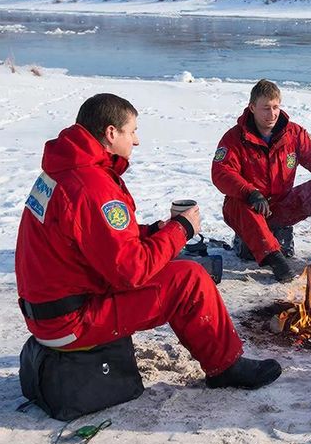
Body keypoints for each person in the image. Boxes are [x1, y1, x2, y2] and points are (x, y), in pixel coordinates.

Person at [15, 93, 280, 390]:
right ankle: (226, 367)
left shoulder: (65, 170)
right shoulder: (91, 185)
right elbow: (131, 271)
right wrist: (181, 230)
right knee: (189, 279)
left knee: (171, 264)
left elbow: (93, 237)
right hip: (71, 321)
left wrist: (153, 231)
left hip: (48, 313)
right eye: (132, 131)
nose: (136, 140)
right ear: (111, 133)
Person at [212, 79, 311, 283]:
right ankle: (275, 259)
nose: (272, 114)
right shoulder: (234, 138)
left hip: (281, 205)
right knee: (239, 201)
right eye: (266, 108)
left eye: (275, 107)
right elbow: (221, 172)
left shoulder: (293, 134)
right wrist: (250, 192)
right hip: (249, 207)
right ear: (252, 108)